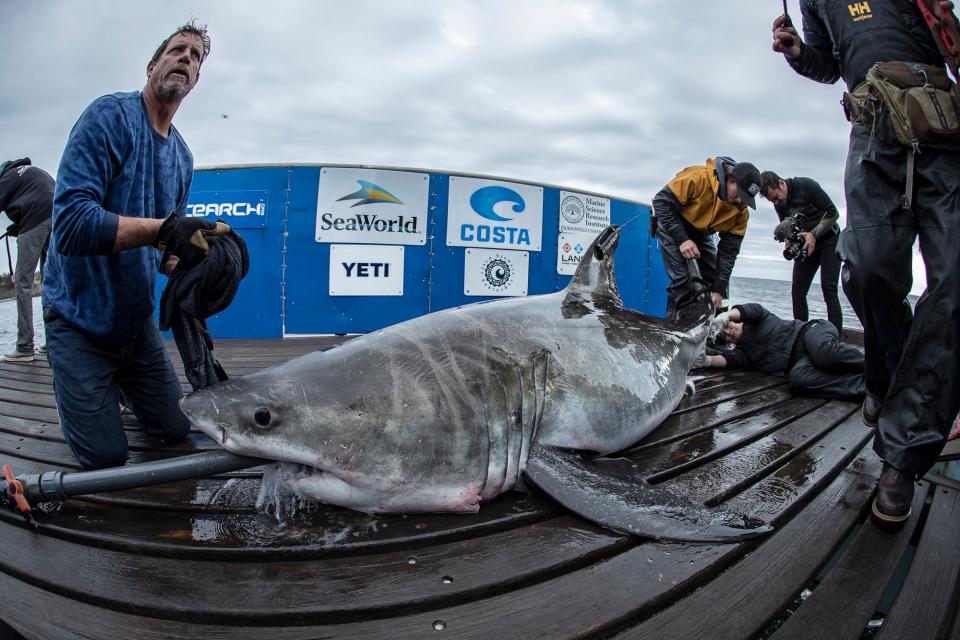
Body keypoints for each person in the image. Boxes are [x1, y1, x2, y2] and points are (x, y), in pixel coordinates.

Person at [772, 1, 960, 526]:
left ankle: (901, 454)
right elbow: (828, 63)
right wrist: (798, 54)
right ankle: (882, 375)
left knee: (954, 283)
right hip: (875, 128)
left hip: (944, 128)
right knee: (870, 267)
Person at [43, 21, 229, 470]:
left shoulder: (183, 158)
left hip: (134, 325)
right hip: (77, 319)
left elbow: (162, 252)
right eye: (177, 50)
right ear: (152, 65)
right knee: (105, 456)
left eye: (195, 57)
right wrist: (165, 230)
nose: (186, 58)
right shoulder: (109, 117)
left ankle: (120, 385)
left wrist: (192, 263)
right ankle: (77, 381)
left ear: (197, 80)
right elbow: (69, 225)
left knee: (172, 429)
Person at [652, 157, 762, 321]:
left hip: (700, 233)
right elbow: (661, 202)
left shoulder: (741, 213)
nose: (740, 201)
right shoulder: (698, 177)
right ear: (731, 179)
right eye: (739, 194)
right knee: (682, 280)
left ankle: (712, 331)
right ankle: (673, 331)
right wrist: (682, 240)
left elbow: (728, 253)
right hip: (672, 223)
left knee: (716, 283)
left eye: (746, 199)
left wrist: (718, 290)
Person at [696, 303, 865, 401]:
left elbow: (751, 309)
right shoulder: (744, 354)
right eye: (726, 337)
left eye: (728, 327)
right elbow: (727, 360)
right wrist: (706, 361)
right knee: (798, 381)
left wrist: (725, 317)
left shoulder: (759, 319)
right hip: (800, 361)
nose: (729, 332)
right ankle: (867, 386)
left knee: (823, 353)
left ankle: (877, 365)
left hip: (810, 333)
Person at [759, 170, 843, 332]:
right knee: (798, 291)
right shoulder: (779, 204)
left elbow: (834, 212)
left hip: (829, 240)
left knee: (829, 288)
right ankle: (799, 336)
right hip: (806, 244)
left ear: (781, 184)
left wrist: (814, 234)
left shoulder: (806, 186)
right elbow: (788, 226)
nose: (776, 202)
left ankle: (835, 338)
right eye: (772, 201)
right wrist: (789, 241)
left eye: (776, 197)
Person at [0, 158, 54, 362]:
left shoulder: (5, 178)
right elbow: (39, 195)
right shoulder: (30, 171)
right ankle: (53, 340)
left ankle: (24, 347)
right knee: (51, 281)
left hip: (35, 219)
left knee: (22, 283)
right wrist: (18, 224)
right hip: (56, 216)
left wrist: (24, 225)